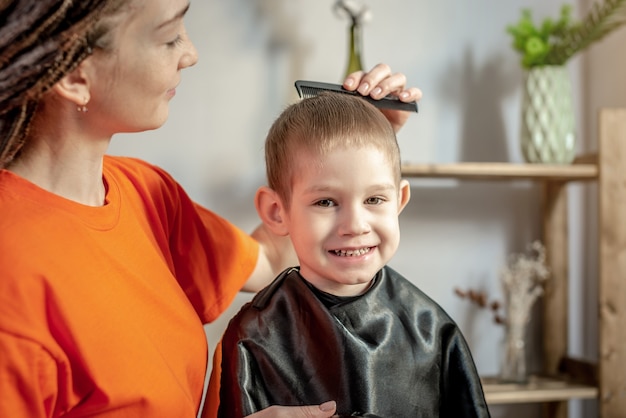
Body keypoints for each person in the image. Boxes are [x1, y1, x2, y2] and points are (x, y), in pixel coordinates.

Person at [0, 0, 422, 417]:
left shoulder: (147, 194)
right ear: (75, 74)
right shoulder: (13, 280)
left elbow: (277, 252)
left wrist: (361, 145)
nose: (190, 53)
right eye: (168, 37)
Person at [208, 92, 490, 418]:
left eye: (374, 200)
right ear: (276, 212)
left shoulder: (432, 329)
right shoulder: (254, 336)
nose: (355, 226)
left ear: (399, 201)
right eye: (326, 202)